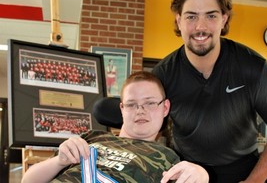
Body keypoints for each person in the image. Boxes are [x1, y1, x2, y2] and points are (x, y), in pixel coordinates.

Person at [153, 0, 267, 183]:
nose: (200, 27)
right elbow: (145, 127)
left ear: (224, 19)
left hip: (244, 171)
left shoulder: (254, 68)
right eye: (191, 17)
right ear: (178, 20)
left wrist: (254, 181)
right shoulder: (162, 75)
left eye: (211, 16)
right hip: (187, 172)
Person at [21, 71, 209, 183]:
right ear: (122, 109)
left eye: (150, 103)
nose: (140, 111)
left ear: (165, 107)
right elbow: (27, 180)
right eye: (132, 104)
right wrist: (59, 161)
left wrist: (202, 175)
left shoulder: (168, 158)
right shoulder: (91, 137)